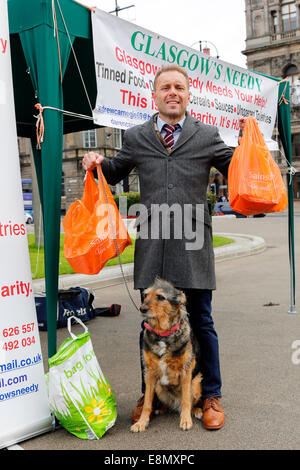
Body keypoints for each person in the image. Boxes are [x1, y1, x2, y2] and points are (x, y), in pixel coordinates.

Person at [83, 65, 246, 431]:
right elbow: (114, 170)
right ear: (154, 96)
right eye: (165, 88)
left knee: (202, 321)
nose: (173, 93)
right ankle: (150, 395)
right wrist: (96, 162)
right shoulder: (137, 136)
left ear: (189, 96)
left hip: (193, 242)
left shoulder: (206, 134)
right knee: (150, 325)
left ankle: (211, 395)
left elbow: (236, 166)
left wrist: (247, 143)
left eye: (179, 88)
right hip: (153, 244)